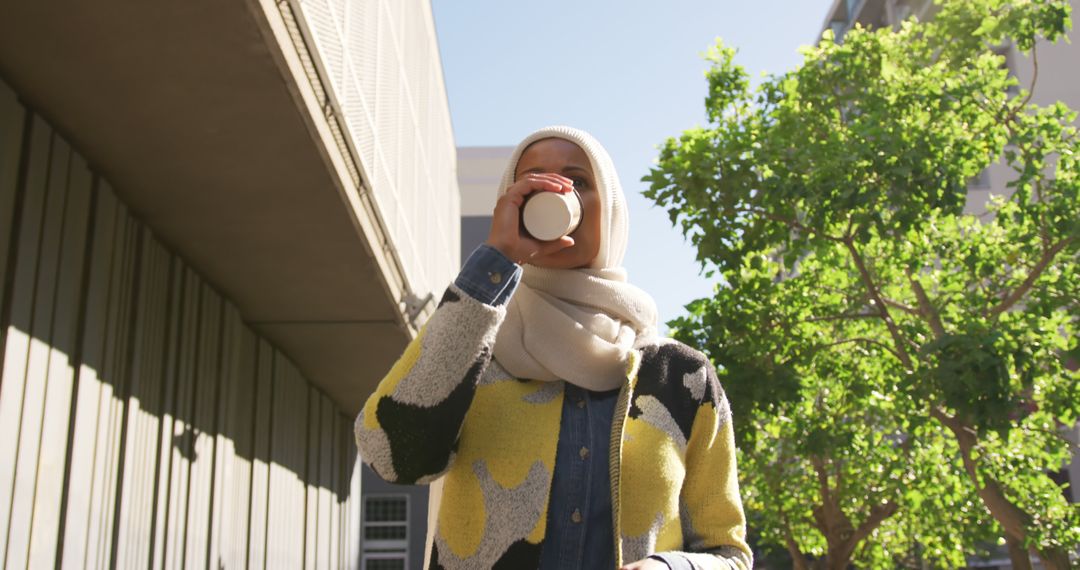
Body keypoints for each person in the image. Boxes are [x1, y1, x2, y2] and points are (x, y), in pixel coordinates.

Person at [355, 126, 751, 570]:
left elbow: (728, 552)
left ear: (612, 209)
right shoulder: (473, 344)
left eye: (578, 181)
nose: (555, 193)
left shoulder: (681, 377)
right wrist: (496, 260)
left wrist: (672, 569)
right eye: (533, 181)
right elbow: (389, 455)